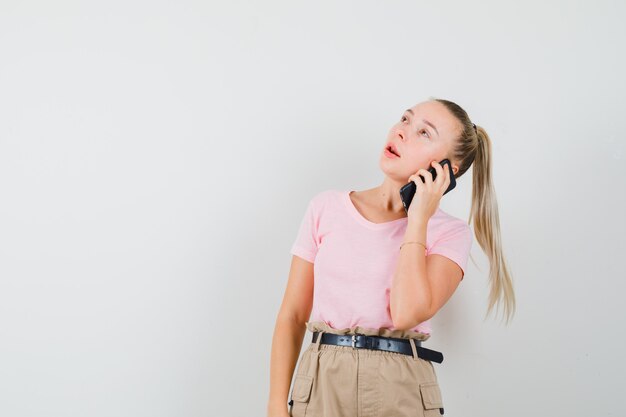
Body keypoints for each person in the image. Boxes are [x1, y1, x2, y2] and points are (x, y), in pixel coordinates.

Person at [267, 98, 516, 417]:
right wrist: (276, 405)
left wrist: (418, 221)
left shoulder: (449, 233)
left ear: (446, 170)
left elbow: (406, 313)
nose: (401, 132)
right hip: (320, 381)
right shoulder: (325, 208)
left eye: (424, 133)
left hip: (399, 387)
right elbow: (291, 314)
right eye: (404, 119)